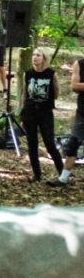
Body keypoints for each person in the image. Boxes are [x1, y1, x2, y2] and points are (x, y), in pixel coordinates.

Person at [20, 47, 64, 183]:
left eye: (38, 55)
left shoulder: (51, 74)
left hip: (45, 112)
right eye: (33, 55)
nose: (34, 57)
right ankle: (37, 175)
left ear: (44, 58)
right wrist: (22, 113)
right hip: (30, 112)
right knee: (32, 144)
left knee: (49, 143)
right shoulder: (27, 74)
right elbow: (24, 94)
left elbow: (56, 93)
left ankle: (63, 173)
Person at [53, 56, 84, 187]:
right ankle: (63, 179)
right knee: (72, 144)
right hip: (82, 113)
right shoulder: (80, 64)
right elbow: (74, 85)